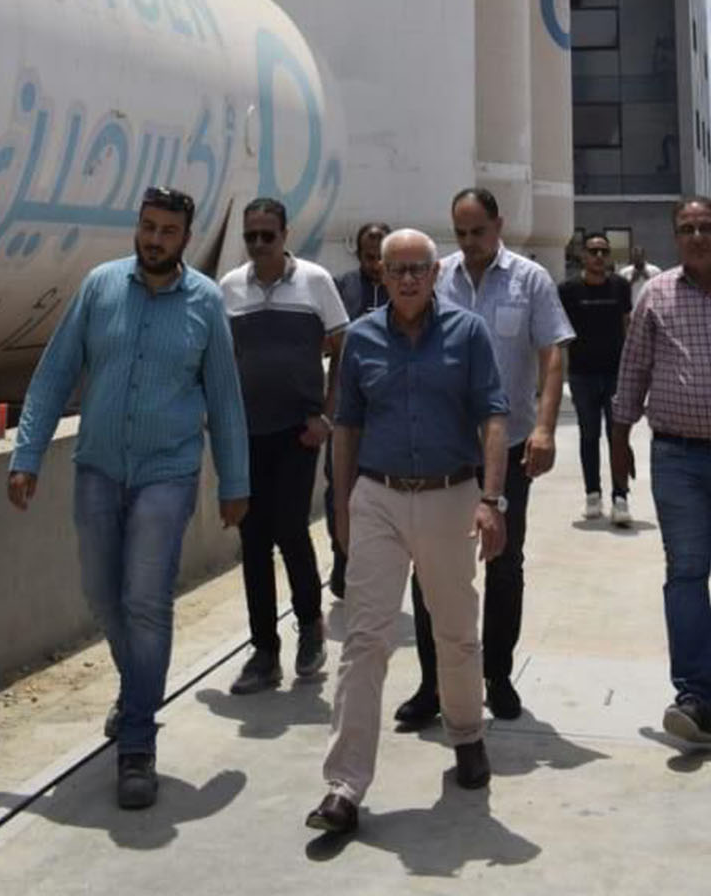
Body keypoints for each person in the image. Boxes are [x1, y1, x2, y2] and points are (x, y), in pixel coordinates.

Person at [7, 187, 249, 810]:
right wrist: (27, 454)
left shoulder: (205, 301)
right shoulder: (99, 287)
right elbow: (55, 373)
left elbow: (225, 398)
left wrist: (235, 482)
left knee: (145, 600)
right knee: (100, 593)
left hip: (168, 472)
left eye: (168, 231)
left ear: (186, 238)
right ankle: (137, 687)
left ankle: (137, 742)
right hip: (99, 467)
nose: (154, 239)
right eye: (148, 227)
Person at [306, 228, 509, 834]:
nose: (409, 278)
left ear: (435, 273)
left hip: (451, 495)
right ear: (382, 275)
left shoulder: (468, 333)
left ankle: (466, 734)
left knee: (454, 631)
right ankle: (344, 785)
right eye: (397, 269)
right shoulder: (361, 339)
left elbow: (494, 417)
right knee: (365, 639)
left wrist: (491, 499)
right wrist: (343, 506)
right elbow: (346, 427)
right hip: (379, 497)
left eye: (420, 268)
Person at [394, 188, 575, 728]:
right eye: (461, 232)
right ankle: (433, 683)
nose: (470, 242)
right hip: (442, 448)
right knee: (430, 566)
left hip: (511, 446)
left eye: (479, 231)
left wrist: (545, 428)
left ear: (499, 225)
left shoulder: (529, 280)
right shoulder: (438, 278)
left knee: (503, 562)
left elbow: (553, 355)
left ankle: (497, 676)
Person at [611, 198, 711, 748]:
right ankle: (695, 694)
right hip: (678, 458)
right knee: (686, 572)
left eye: (706, 227)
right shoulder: (655, 294)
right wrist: (619, 440)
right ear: (675, 238)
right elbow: (634, 368)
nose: (696, 236)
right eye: (686, 229)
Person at [219, 197, 349, 695]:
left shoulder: (315, 281)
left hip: (298, 431)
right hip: (247, 433)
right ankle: (264, 651)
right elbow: (221, 358)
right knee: (252, 538)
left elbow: (344, 349)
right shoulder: (230, 288)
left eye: (266, 235)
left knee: (290, 528)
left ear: (285, 234)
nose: (258, 244)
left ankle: (310, 624)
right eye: (250, 236)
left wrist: (327, 417)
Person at [325, 222, 393, 597]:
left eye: (381, 257)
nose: (376, 265)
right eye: (369, 257)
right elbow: (326, 341)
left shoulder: (403, 287)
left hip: (388, 410)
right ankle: (342, 556)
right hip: (346, 408)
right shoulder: (343, 287)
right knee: (339, 484)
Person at [559, 232, 633, 524]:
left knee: (618, 435)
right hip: (582, 375)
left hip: (615, 374)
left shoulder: (620, 286)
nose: (599, 256)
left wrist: (632, 369)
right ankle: (593, 494)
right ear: (583, 255)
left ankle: (620, 497)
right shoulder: (568, 290)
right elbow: (559, 330)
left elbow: (627, 326)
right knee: (589, 435)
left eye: (604, 251)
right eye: (593, 251)